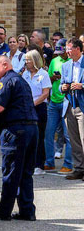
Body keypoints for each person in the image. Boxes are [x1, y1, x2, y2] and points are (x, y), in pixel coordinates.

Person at [0, 55, 39, 221]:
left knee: (11, 172)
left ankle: (3, 211)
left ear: (5, 65)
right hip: (31, 129)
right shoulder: (21, 80)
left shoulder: (5, 81)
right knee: (26, 172)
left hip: (15, 131)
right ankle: (27, 211)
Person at [44, 39, 73, 174]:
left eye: (62, 52)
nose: (60, 55)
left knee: (68, 136)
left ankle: (68, 164)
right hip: (53, 102)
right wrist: (54, 78)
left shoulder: (72, 62)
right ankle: (49, 162)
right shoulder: (55, 61)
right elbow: (48, 78)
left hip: (66, 102)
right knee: (49, 133)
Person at [22, 49, 51, 175]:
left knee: (39, 137)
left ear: (34, 61)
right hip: (27, 107)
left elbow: (45, 94)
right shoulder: (25, 74)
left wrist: (33, 104)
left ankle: (39, 164)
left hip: (39, 108)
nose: (26, 62)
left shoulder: (43, 74)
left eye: (28, 60)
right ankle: (29, 163)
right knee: (28, 137)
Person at [59, 38, 84, 180]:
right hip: (69, 105)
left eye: (69, 49)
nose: (67, 52)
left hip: (82, 106)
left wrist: (82, 85)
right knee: (73, 140)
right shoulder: (66, 65)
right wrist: (62, 87)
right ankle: (79, 168)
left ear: (78, 49)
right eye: (66, 49)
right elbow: (60, 84)